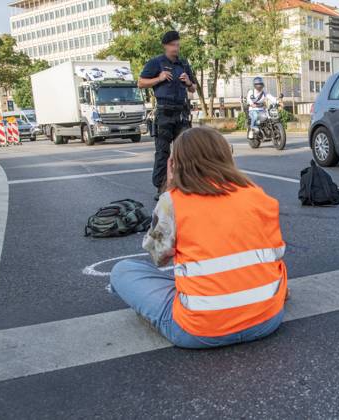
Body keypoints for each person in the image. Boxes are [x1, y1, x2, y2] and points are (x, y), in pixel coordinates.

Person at [110, 126, 288, 348]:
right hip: (267, 320)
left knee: (123, 271)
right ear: (225, 155)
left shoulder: (173, 200)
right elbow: (276, 254)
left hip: (200, 331)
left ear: (176, 163)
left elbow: (159, 256)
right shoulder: (256, 194)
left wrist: (169, 182)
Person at [138, 30, 197, 200]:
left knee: (186, 151)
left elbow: (193, 88)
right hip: (164, 112)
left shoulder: (184, 64)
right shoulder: (156, 63)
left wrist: (188, 82)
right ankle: (161, 186)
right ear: (165, 46)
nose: (176, 48)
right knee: (163, 152)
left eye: (178, 45)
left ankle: (185, 185)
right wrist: (159, 78)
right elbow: (141, 83)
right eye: (173, 45)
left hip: (182, 112)